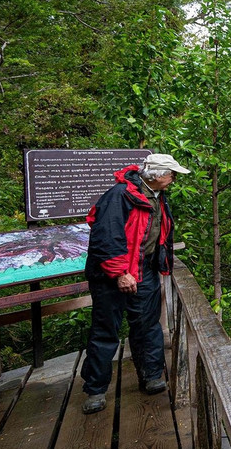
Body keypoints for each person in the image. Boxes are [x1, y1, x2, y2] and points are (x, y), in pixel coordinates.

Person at [80, 154, 190, 414]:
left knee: (147, 325)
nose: (173, 178)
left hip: (145, 271)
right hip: (112, 276)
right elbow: (106, 236)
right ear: (155, 174)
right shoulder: (119, 196)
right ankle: (95, 390)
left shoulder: (156, 195)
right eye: (171, 173)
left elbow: (157, 234)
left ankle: (151, 375)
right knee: (106, 331)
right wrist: (120, 273)